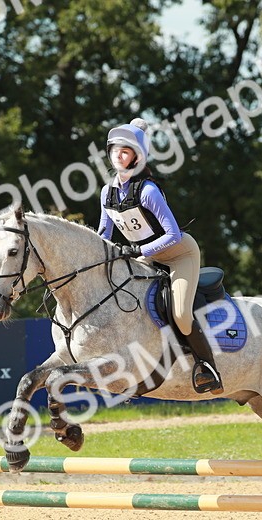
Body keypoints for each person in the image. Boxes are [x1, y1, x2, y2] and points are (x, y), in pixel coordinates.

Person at [96, 118, 223, 395]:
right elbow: (103, 234)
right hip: (147, 258)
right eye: (115, 149)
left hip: (178, 255)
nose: (118, 154)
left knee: (181, 315)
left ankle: (207, 368)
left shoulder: (148, 190)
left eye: (125, 151)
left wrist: (140, 251)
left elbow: (173, 234)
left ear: (136, 158)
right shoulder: (108, 193)